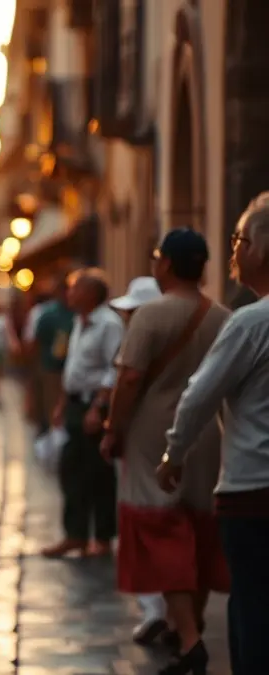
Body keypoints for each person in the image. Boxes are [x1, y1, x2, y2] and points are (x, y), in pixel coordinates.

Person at [105, 242, 229, 673]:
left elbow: (130, 377)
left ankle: (191, 638)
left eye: (156, 256)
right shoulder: (222, 316)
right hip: (207, 435)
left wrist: (112, 429)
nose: (154, 263)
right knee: (199, 527)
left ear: (168, 263)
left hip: (151, 435)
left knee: (161, 530)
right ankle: (187, 624)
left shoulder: (151, 314)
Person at [158, 198, 269, 674]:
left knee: (253, 607)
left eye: (240, 240)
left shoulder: (250, 322)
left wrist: (174, 454)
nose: (234, 251)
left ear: (262, 250)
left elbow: (198, 396)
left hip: (253, 490)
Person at [101, 276, 171, 646]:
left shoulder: (140, 340)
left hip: (143, 439)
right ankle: (171, 612)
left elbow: (126, 384)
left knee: (141, 517)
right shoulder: (178, 334)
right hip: (173, 438)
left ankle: (155, 607)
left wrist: (112, 428)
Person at [41, 268, 123, 559]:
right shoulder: (79, 321)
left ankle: (102, 537)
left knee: (97, 473)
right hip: (76, 403)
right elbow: (74, 367)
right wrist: (62, 403)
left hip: (94, 406)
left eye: (75, 288)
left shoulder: (108, 324)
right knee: (70, 469)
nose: (69, 294)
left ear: (90, 293)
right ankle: (74, 534)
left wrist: (99, 407)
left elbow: (114, 368)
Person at [30, 281, 74, 434]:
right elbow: (36, 343)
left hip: (70, 368)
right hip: (52, 368)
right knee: (52, 407)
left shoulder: (76, 313)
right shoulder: (48, 314)